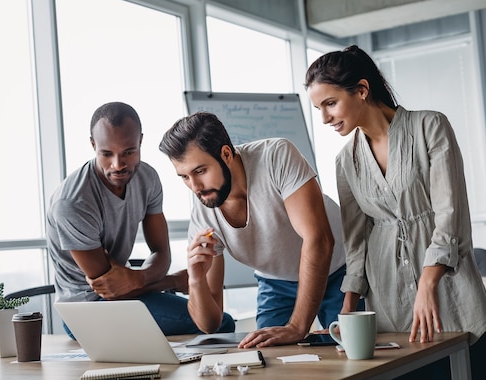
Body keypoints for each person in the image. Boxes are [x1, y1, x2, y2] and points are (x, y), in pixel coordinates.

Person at [305, 45, 486, 380]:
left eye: (330, 103)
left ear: (361, 89)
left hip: (448, 291)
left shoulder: (429, 126)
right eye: (318, 109)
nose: (325, 118)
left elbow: (450, 215)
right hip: (387, 302)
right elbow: (357, 239)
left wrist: (426, 284)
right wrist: (348, 310)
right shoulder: (346, 161)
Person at [158, 112, 359, 348]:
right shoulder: (204, 214)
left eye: (201, 171)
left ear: (225, 154)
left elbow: (319, 240)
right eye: (184, 177)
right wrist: (195, 279)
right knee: (265, 356)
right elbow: (210, 324)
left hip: (338, 270)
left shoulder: (276, 156)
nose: (195, 187)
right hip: (276, 282)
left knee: (349, 360)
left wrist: (297, 327)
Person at [46, 101, 235, 338]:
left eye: (128, 152)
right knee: (221, 325)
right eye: (106, 154)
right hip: (86, 312)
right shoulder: (72, 203)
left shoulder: (147, 178)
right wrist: (173, 282)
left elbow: (161, 255)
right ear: (93, 145)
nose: (118, 165)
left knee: (214, 322)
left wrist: (137, 278)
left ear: (140, 142)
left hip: (131, 297)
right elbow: (111, 290)